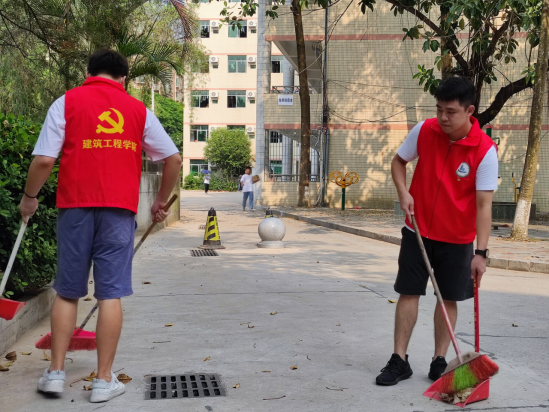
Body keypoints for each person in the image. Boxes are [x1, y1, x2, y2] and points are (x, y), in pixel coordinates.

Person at [19, 49, 182, 403]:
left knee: (68, 291)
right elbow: (173, 159)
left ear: (89, 72)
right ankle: (104, 381)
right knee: (110, 294)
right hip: (118, 211)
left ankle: (55, 374)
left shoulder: (66, 102)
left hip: (74, 208)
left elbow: (44, 160)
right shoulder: (138, 111)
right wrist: (159, 202)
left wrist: (30, 197)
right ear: (124, 78)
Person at [376, 77, 498, 386]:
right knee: (408, 291)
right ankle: (399, 359)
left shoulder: (484, 150)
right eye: (439, 109)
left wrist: (481, 253)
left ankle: (439, 359)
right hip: (417, 230)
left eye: (451, 111)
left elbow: (484, 205)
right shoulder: (424, 130)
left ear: (469, 111)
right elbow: (398, 162)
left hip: (456, 239)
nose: (443, 117)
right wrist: (403, 192)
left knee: (447, 299)